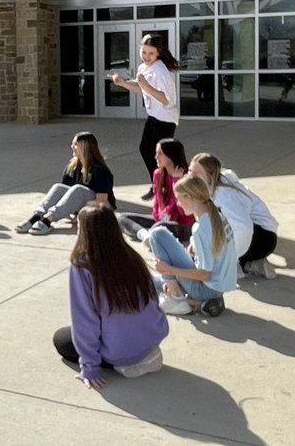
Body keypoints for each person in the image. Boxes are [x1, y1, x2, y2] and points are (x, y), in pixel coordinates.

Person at [51, 203, 168, 388]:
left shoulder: (82, 264)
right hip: (151, 336)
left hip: (118, 349)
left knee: (61, 339)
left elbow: (85, 320)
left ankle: (124, 363)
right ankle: (140, 353)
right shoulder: (131, 255)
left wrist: (90, 368)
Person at [151, 175, 238, 317]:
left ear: (189, 197)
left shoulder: (201, 228)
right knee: (152, 280)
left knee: (157, 235)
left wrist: (169, 269)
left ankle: (176, 298)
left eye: (179, 198)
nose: (178, 203)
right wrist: (194, 247)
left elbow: (205, 274)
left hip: (205, 289)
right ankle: (193, 300)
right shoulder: (217, 215)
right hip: (217, 287)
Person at [110, 34, 179, 201]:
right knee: (145, 150)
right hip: (154, 116)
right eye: (144, 52)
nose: (146, 57)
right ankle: (158, 185)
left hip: (165, 119)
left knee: (159, 155)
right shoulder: (143, 68)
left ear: (158, 54)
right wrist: (123, 83)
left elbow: (164, 99)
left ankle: (165, 187)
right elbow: (142, 91)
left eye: (151, 53)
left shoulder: (160, 71)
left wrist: (146, 84)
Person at [189, 153, 279, 279]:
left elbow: (243, 229)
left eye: (197, 174)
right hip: (258, 237)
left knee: (214, 243)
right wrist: (195, 244)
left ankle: (236, 265)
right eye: (190, 172)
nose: (191, 178)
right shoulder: (208, 190)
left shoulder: (223, 194)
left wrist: (229, 258)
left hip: (263, 237)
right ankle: (253, 263)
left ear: (210, 176)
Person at [16, 131, 115, 236]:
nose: (72, 147)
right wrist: (69, 212)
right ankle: (36, 217)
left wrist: (82, 214)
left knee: (78, 189)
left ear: (85, 147)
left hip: (99, 207)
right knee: (58, 187)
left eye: (75, 144)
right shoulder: (72, 166)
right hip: (78, 205)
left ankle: (48, 220)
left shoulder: (100, 170)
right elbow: (64, 197)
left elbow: (102, 200)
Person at [117, 138, 195, 243]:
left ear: (170, 155)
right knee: (122, 217)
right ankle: (145, 235)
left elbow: (183, 211)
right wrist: (158, 217)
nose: (155, 157)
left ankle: (153, 233)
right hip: (162, 219)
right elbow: (157, 202)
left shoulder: (187, 177)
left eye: (160, 154)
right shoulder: (158, 174)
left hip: (182, 224)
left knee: (159, 226)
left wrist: (176, 182)